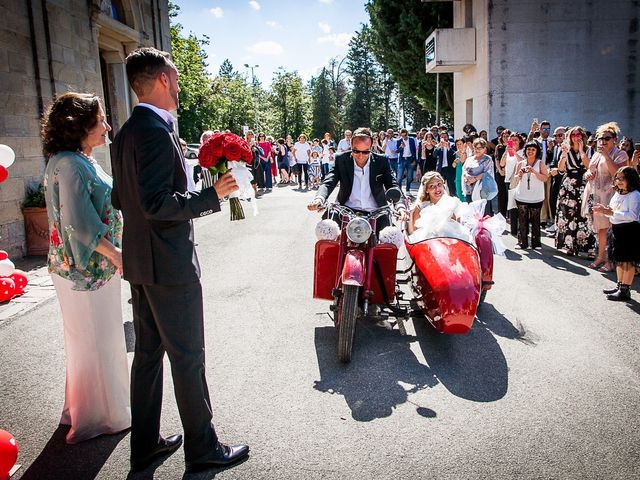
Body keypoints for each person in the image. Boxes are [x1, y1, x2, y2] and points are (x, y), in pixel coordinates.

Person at [110, 47, 248, 473]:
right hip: (168, 266)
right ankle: (203, 448)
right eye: (176, 75)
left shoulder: (128, 131)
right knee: (188, 356)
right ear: (164, 80)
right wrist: (213, 195)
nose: (180, 84)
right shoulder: (153, 131)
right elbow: (156, 202)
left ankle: (146, 445)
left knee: (149, 356)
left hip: (141, 262)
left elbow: (122, 198)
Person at [41, 92, 130, 445]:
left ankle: (84, 408)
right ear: (78, 126)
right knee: (97, 340)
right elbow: (80, 223)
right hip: (88, 270)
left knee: (90, 339)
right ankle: (98, 417)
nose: (107, 126)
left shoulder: (75, 159)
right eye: (101, 120)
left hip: (87, 269)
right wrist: (117, 255)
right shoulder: (72, 164)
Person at [307, 127, 407, 233]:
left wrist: (400, 206)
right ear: (351, 145)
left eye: (365, 152)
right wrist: (319, 199)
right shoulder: (341, 159)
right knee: (324, 230)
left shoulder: (382, 161)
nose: (360, 156)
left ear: (371, 147)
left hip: (377, 212)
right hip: (345, 210)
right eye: (356, 151)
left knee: (393, 237)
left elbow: (392, 184)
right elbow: (329, 182)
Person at [583, 122, 629, 272]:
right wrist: (588, 174)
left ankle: (611, 260)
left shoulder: (620, 154)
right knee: (601, 229)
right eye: (600, 138)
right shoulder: (596, 154)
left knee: (612, 229)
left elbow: (617, 173)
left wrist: (606, 155)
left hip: (613, 196)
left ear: (614, 139)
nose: (603, 141)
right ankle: (601, 257)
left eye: (606, 138)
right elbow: (589, 170)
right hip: (597, 196)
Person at [594, 167, 640, 301]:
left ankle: (626, 289)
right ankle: (619, 285)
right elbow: (613, 210)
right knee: (619, 260)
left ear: (630, 180)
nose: (619, 181)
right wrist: (605, 210)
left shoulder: (635, 195)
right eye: (617, 178)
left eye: (622, 178)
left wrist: (611, 213)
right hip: (616, 229)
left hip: (629, 231)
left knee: (627, 261)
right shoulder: (618, 193)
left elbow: (633, 215)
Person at [554, 126, 596, 257]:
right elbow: (561, 169)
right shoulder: (567, 150)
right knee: (567, 215)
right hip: (568, 185)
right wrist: (564, 155)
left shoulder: (589, 150)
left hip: (583, 184)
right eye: (573, 135)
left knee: (584, 215)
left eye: (578, 134)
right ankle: (569, 245)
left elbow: (589, 166)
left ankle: (586, 247)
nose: (575, 137)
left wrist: (582, 150)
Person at [512, 141, 549, 249]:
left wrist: (534, 172)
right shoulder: (520, 163)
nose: (530, 151)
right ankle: (522, 242)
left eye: (533, 149)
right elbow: (515, 179)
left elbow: (545, 178)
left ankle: (536, 243)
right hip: (522, 195)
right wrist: (519, 174)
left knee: (535, 220)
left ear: (537, 151)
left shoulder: (540, 163)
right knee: (522, 220)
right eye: (528, 149)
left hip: (536, 196)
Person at [462, 138, 498, 215]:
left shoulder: (487, 159)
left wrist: (474, 179)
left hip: (481, 191)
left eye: (480, 148)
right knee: (471, 213)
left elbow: (487, 173)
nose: (477, 150)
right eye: (475, 148)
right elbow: (464, 169)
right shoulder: (469, 159)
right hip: (469, 189)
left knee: (483, 213)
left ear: (485, 148)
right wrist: (467, 177)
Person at [396, 128, 418, 194]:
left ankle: (407, 189)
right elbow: (397, 151)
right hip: (402, 160)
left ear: (407, 134)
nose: (404, 137)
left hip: (410, 159)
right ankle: (399, 190)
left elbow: (414, 150)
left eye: (405, 135)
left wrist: (414, 160)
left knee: (410, 176)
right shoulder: (399, 141)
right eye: (402, 136)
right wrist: (401, 147)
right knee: (399, 177)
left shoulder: (411, 140)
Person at [434, 131, 457, 196]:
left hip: (450, 169)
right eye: (442, 137)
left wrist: (448, 147)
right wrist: (439, 147)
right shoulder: (438, 145)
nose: (444, 138)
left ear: (448, 137)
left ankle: (453, 200)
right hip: (441, 169)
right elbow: (434, 155)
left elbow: (453, 154)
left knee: (451, 187)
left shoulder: (452, 144)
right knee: (440, 186)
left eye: (445, 137)